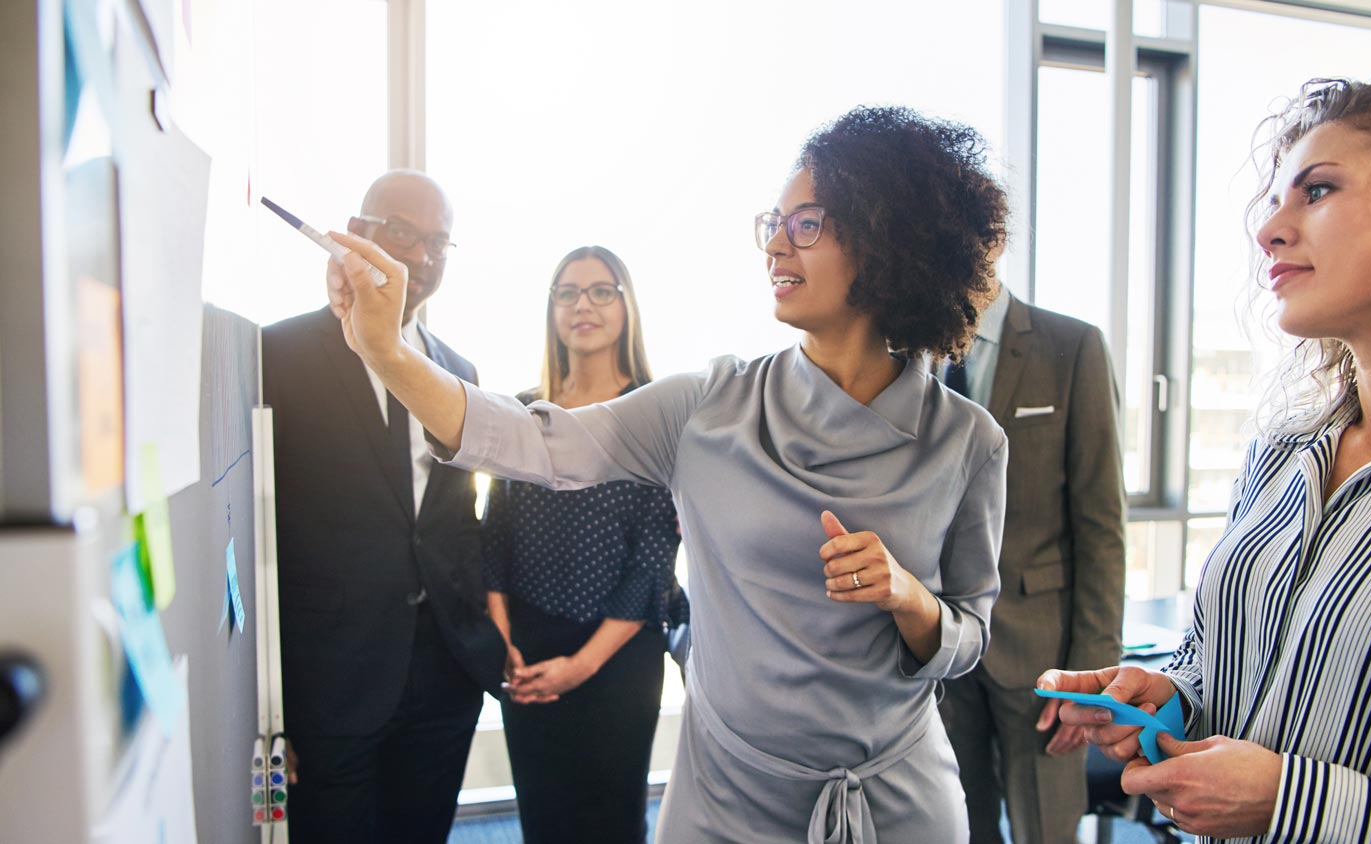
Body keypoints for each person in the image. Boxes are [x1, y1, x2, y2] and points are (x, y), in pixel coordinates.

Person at [324, 106, 1011, 842]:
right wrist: (389, 354)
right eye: (771, 223)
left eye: (805, 224)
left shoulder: (967, 441)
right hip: (726, 800)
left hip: (896, 804)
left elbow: (969, 634)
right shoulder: (707, 405)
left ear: (886, 241)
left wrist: (908, 596)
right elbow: (527, 440)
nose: (776, 244)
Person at [1041, 70, 1371, 843]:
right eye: (1277, 200)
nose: (1270, 231)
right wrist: (1168, 697)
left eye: (1317, 191)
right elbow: (1219, 667)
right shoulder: (1282, 453)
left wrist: (1296, 802)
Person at [262, 169, 507, 843]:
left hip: (443, 673)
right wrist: (277, 706)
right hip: (332, 679)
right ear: (359, 233)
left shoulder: (461, 372)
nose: (422, 258)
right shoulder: (276, 353)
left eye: (439, 243)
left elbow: (455, 521)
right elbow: (265, 537)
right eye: (404, 233)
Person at [481, 245, 685, 843]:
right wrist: (504, 641)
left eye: (601, 290)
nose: (582, 305)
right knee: (542, 816)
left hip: (619, 653)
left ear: (627, 307)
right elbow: (494, 530)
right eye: (567, 292)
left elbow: (653, 561)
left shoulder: (656, 413)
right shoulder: (524, 411)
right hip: (528, 643)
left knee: (611, 819)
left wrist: (581, 667)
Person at [936, 288, 1126, 844]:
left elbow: (1102, 526)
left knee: (1045, 831)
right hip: (937, 649)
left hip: (1043, 657)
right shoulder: (907, 350)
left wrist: (1090, 677)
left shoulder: (1071, 345)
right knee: (955, 829)